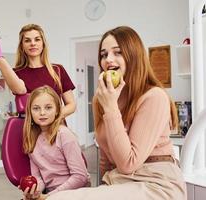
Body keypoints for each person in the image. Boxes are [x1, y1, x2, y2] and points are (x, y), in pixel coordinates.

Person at [47, 26, 187, 200]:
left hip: (156, 183)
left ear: (133, 56)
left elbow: (129, 163)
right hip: (120, 182)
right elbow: (106, 158)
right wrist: (101, 189)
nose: (108, 60)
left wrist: (111, 107)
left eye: (117, 52)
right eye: (104, 55)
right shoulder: (101, 99)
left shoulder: (153, 97)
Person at [0, 24, 76, 119]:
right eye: (27, 40)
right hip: (29, 129)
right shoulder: (16, 73)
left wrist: (51, 118)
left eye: (37, 39)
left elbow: (71, 105)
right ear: (22, 46)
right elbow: (20, 90)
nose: (33, 43)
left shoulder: (57, 70)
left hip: (56, 127)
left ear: (43, 44)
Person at [20, 86, 90, 200]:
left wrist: (49, 196)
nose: (42, 112)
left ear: (57, 110)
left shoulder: (64, 135)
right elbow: (39, 178)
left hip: (75, 193)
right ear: (30, 112)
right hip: (51, 194)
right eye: (36, 108)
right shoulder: (31, 140)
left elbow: (80, 177)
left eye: (48, 108)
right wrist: (35, 192)